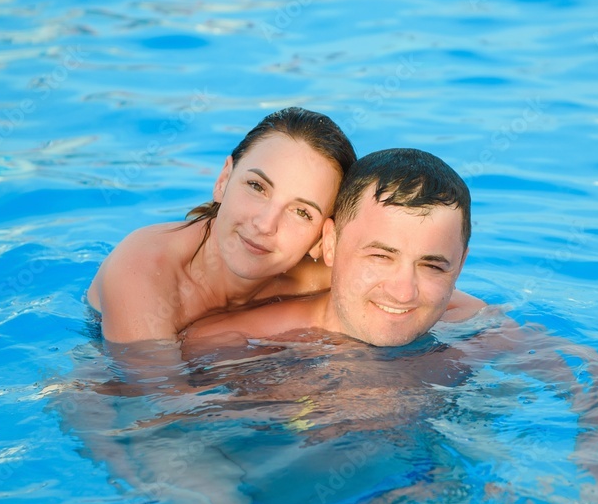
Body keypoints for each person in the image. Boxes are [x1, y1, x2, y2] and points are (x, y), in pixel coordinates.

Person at [87, 106, 356, 344]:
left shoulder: (326, 280)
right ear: (223, 180)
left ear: (324, 240)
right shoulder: (143, 269)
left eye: (301, 211)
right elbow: (154, 397)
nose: (264, 224)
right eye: (256, 186)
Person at [183, 147, 485, 347]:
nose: (403, 292)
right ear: (331, 244)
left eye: (431, 266)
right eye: (380, 256)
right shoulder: (233, 346)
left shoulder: (479, 333)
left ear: (459, 265)